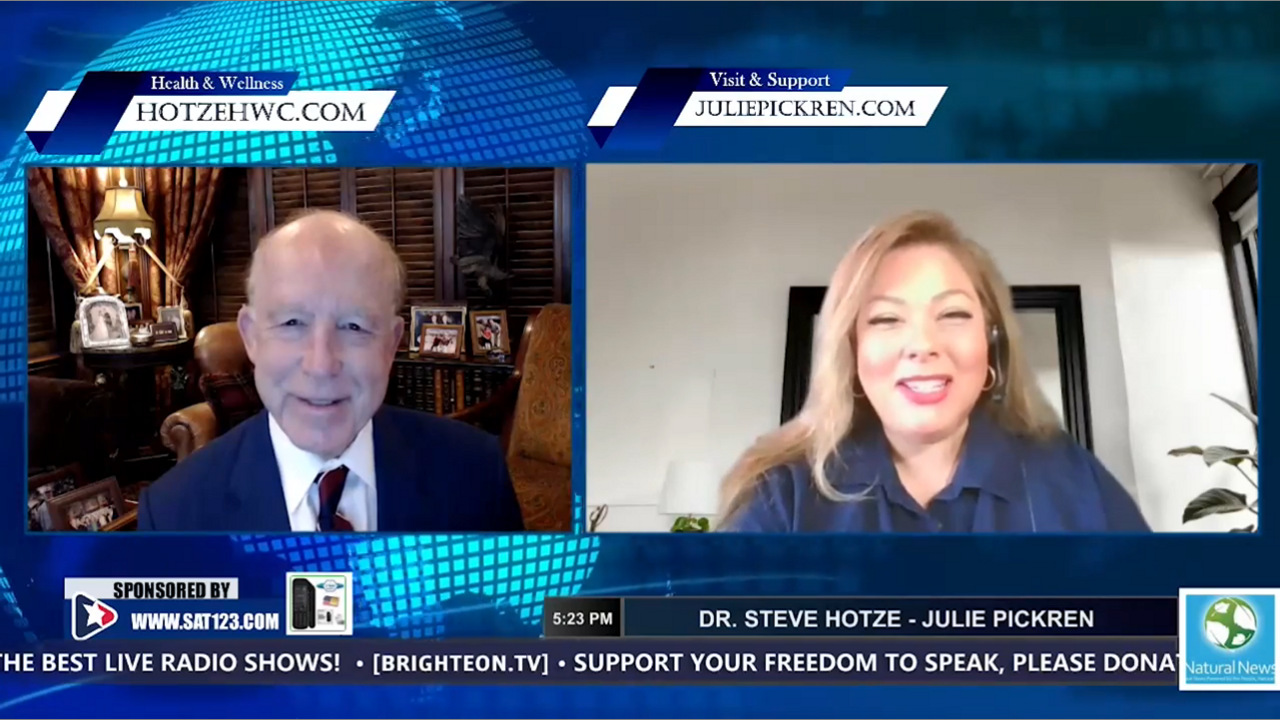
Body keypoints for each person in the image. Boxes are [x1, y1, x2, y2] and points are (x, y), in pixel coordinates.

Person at [718, 211, 1151, 534]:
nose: (923, 344)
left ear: (991, 342)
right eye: (886, 319)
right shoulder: (783, 497)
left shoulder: (1071, 479)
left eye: (954, 314)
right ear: (851, 350)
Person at [137, 210, 526, 533]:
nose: (321, 365)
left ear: (391, 345)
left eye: (354, 326)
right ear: (251, 337)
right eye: (292, 323)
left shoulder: (476, 474)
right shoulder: (173, 514)